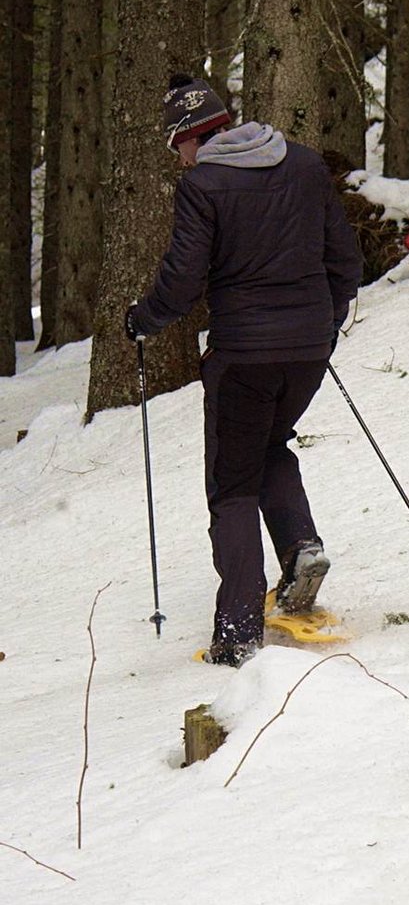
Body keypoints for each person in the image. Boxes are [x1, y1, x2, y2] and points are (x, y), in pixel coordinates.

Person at [126, 74, 363, 665]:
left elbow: (182, 281)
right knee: (269, 446)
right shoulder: (304, 165)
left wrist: (143, 320)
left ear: (187, 137)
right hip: (308, 348)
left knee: (232, 483)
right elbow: (346, 260)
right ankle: (300, 549)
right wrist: (322, 322)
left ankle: (236, 632)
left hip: (244, 355)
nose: (179, 159)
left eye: (174, 146)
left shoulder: (202, 185)